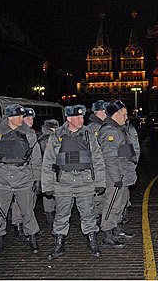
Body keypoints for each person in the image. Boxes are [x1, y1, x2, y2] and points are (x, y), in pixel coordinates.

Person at [42, 105, 106, 259]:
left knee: (88, 214)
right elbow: (48, 162)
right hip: (63, 181)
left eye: (82, 117)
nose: (81, 120)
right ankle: (59, 244)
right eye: (77, 117)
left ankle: (92, 242)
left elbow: (97, 159)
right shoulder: (57, 136)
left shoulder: (89, 135)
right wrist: (47, 185)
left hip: (85, 180)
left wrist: (100, 182)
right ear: (68, 119)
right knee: (61, 215)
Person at [0, 104, 42, 256]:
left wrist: (37, 179)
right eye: (20, 116)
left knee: (28, 211)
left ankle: (32, 237)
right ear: (11, 117)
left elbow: (36, 159)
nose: (23, 119)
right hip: (2, 177)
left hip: (24, 176)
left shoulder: (29, 134)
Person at [98, 100, 137, 248]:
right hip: (115, 176)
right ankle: (107, 233)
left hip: (123, 174)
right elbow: (110, 158)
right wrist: (115, 178)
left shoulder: (119, 129)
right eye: (124, 114)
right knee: (111, 204)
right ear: (115, 114)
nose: (126, 118)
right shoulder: (110, 131)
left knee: (120, 204)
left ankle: (116, 228)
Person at [11, 107, 37, 241]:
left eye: (32, 118)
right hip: (19, 174)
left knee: (29, 202)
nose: (31, 120)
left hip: (30, 173)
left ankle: (26, 228)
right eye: (27, 118)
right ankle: (18, 227)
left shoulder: (30, 133)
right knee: (19, 203)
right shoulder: (16, 134)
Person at [87, 100, 108, 225]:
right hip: (96, 169)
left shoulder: (102, 126)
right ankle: (92, 225)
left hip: (103, 168)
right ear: (99, 112)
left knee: (104, 199)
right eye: (105, 111)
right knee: (96, 199)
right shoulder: (93, 129)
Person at [38, 119, 59, 230]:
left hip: (46, 172)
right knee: (51, 199)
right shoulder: (49, 140)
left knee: (49, 199)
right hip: (51, 171)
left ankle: (51, 221)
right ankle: (52, 223)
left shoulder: (41, 139)